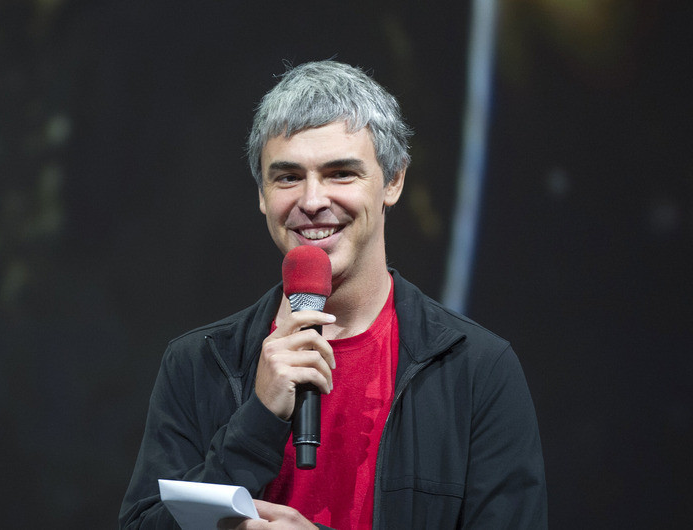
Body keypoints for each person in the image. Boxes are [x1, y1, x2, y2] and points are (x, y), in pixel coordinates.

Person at [119, 60, 546, 529]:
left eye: (341, 173)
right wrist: (258, 420)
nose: (312, 201)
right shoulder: (197, 363)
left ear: (393, 181)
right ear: (261, 194)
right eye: (287, 177)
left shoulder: (477, 369)